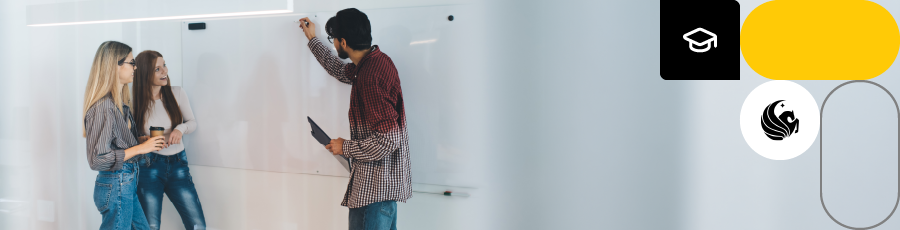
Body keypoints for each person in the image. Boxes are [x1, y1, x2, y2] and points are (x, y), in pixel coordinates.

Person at [298, 8, 411, 230]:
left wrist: (345, 147)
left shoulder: (369, 77)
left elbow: (388, 140)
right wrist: (313, 39)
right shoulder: (375, 62)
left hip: (373, 194)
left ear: (343, 41)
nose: (334, 45)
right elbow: (340, 70)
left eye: (333, 40)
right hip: (381, 191)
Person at [83, 41, 166, 230]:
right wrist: (141, 148)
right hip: (116, 185)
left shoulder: (120, 105)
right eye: (131, 62)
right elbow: (97, 160)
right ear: (115, 66)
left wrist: (140, 142)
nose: (135, 67)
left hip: (125, 184)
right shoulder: (103, 107)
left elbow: (116, 144)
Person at [132, 50, 205, 230]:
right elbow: (129, 137)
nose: (164, 71)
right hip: (148, 166)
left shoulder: (177, 93)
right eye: (157, 69)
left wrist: (180, 129)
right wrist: (143, 140)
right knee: (150, 226)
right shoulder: (133, 101)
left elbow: (192, 123)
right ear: (144, 73)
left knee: (197, 225)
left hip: (178, 164)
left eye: (164, 65)